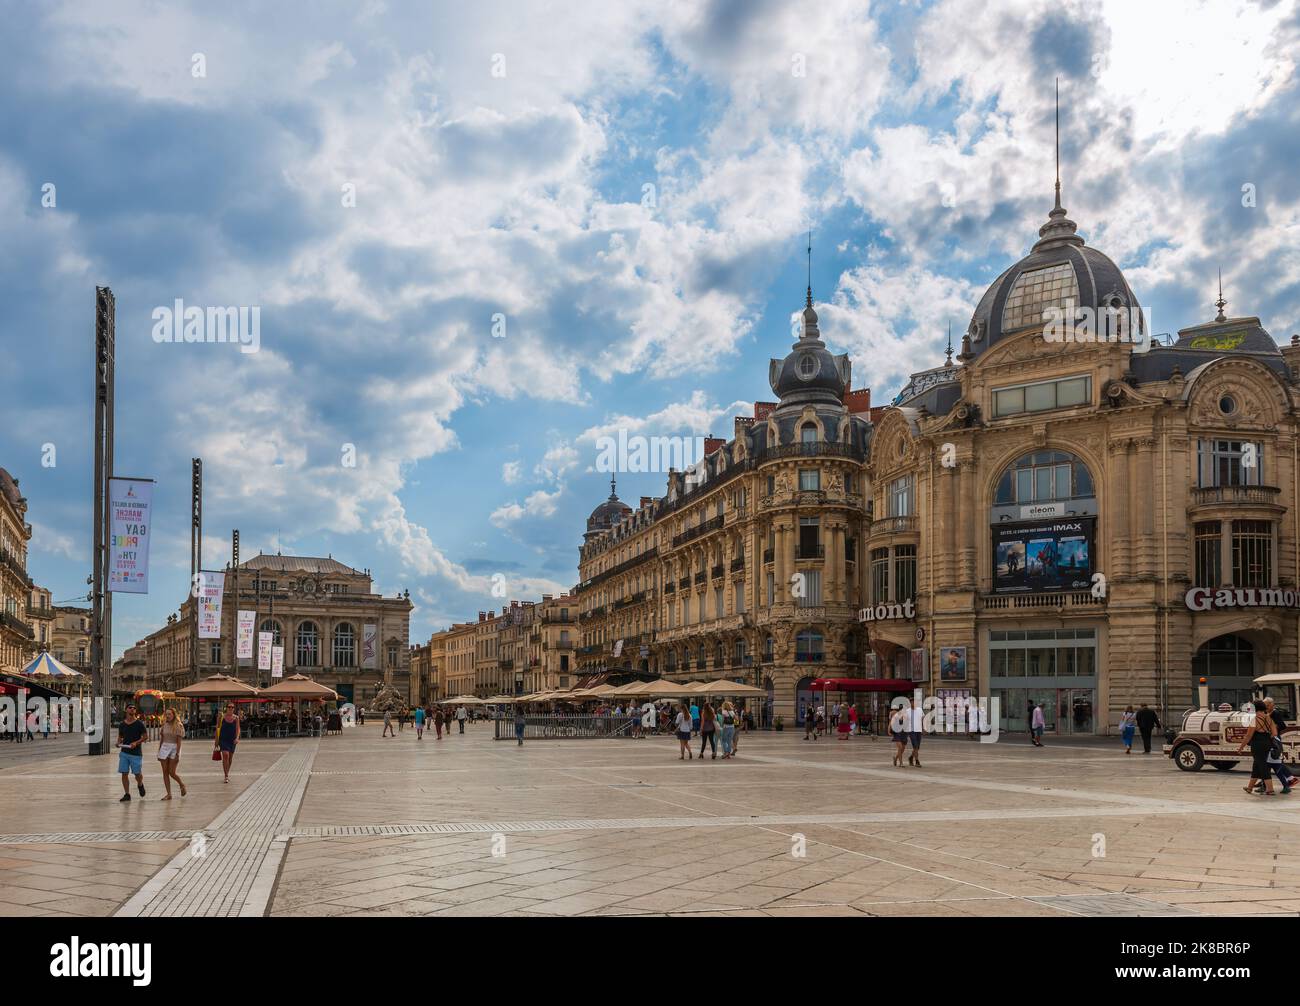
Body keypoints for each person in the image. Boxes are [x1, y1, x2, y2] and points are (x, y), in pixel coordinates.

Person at [1237, 705, 1278, 796]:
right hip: (1267, 744)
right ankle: (1250, 788)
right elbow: (1274, 733)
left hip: (1257, 745)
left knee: (1263, 766)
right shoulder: (1269, 719)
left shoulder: (1254, 720)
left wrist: (1241, 747)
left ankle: (1270, 789)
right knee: (1256, 765)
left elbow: (1248, 737)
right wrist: (1266, 738)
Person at [116, 705, 147, 802]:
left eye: (134, 708)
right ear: (126, 710)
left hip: (136, 753)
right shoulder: (122, 724)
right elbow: (120, 737)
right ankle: (127, 794)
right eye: (130, 707)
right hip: (124, 752)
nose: (132, 709)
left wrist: (136, 743)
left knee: (137, 774)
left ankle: (140, 784)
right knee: (124, 773)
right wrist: (118, 743)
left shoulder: (139, 724)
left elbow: (145, 737)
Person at [157, 707, 187, 800]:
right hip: (164, 747)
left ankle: (182, 784)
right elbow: (162, 739)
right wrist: (159, 751)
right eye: (166, 714)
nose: (168, 716)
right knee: (165, 772)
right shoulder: (164, 725)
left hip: (174, 748)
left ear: (174, 715)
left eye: (170, 714)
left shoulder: (178, 725)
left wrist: (177, 754)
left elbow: (179, 741)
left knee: (171, 772)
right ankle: (169, 794)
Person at [214, 703, 240, 783]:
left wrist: (237, 738)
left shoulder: (236, 718)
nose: (231, 708)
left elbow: (238, 729)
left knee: (230, 758)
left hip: (232, 740)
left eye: (232, 707)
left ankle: (227, 773)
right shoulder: (221, 716)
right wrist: (216, 740)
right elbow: (217, 728)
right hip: (223, 739)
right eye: (229, 707)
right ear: (226, 708)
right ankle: (226, 776)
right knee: (225, 755)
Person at [889, 701, 909, 767]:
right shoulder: (896, 715)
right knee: (900, 747)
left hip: (904, 733)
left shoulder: (906, 715)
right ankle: (901, 763)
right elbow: (891, 723)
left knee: (903, 749)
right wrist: (889, 730)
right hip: (897, 733)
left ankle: (896, 758)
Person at [908, 697, 924, 767]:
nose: (913, 703)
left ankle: (911, 757)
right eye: (911, 702)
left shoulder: (920, 710)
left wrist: (923, 728)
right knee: (915, 746)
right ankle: (917, 761)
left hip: (918, 730)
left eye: (914, 702)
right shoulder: (907, 711)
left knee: (917, 747)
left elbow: (922, 719)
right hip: (911, 731)